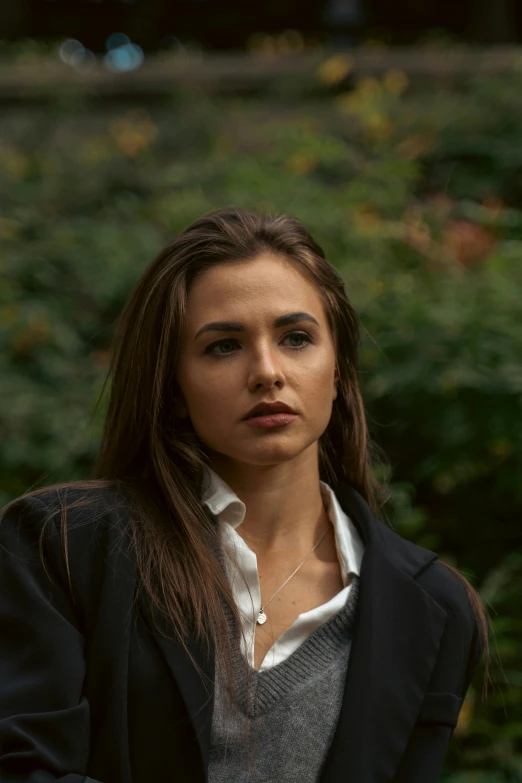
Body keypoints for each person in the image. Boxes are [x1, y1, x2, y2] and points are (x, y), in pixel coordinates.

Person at [0, 207, 489, 783]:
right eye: (224, 346)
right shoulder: (62, 547)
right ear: (174, 387)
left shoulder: (433, 611)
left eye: (297, 338)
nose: (267, 371)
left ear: (338, 369)